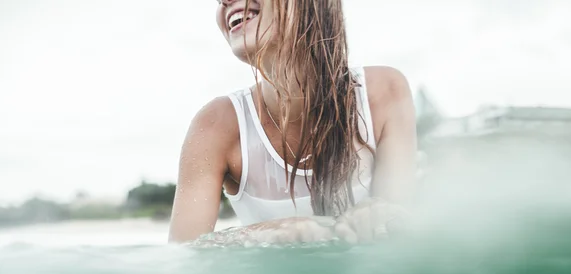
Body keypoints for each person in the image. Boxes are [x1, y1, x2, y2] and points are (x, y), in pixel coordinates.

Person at [168, 0, 417, 245]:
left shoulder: (384, 93)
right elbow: (183, 252)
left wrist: (381, 216)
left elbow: (402, 230)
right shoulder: (215, 126)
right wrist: (266, 231)